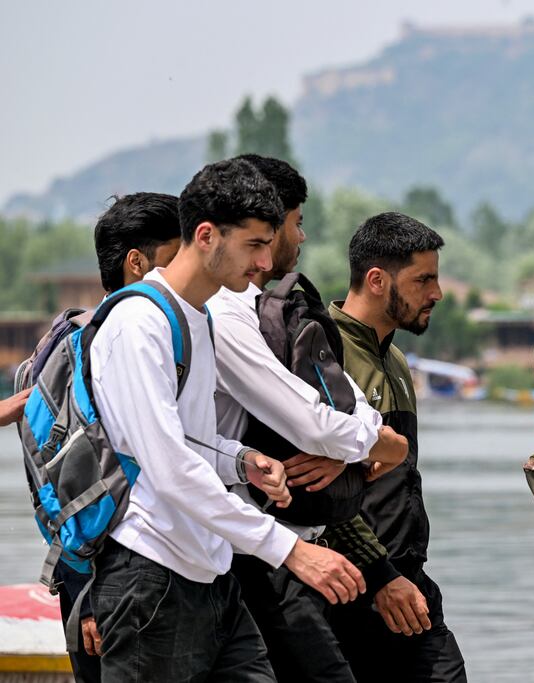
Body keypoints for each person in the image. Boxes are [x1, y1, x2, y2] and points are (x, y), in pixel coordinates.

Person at [88, 158, 365, 682]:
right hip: (150, 574)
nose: (264, 263)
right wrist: (290, 550)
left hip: (210, 572)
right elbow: (168, 468)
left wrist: (241, 461)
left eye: (268, 244)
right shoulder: (138, 323)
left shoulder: (199, 316)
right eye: (254, 245)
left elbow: (189, 438)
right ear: (207, 235)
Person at [209, 154, 408, 682]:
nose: (299, 239)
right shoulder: (226, 314)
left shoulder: (273, 311)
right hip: (251, 547)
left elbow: (339, 410)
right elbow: (314, 423)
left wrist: (373, 442)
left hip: (283, 544)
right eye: (294, 224)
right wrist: (370, 443)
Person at [328, 212, 468, 682]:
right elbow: (324, 494)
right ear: (376, 280)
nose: (437, 293)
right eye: (423, 279)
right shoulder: (324, 354)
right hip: (352, 586)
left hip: (411, 581)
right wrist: (379, 575)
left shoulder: (399, 361)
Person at [58, 191, 183, 682]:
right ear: (137, 263)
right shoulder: (106, 345)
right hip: (105, 583)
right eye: (177, 259)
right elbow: (64, 483)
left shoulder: (123, 334)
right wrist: (89, 598)